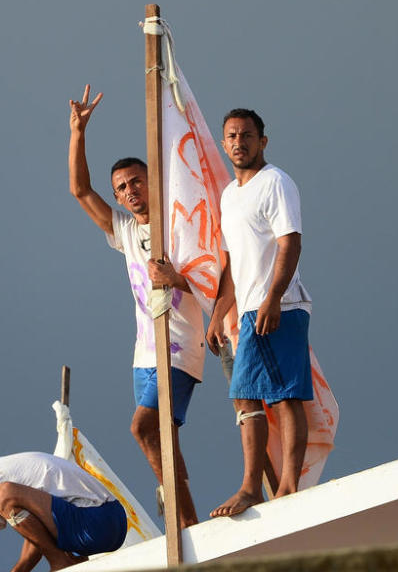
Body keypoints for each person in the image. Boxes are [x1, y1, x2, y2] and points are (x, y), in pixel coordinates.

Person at [67, 84, 204, 528]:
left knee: (142, 427)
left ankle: (181, 516)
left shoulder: (179, 222)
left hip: (180, 347)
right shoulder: (125, 231)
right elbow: (80, 191)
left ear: (153, 181)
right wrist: (78, 133)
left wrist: (176, 278)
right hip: (143, 354)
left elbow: (212, 274)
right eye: (122, 187)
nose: (129, 192)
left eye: (136, 182)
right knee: (163, 439)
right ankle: (185, 521)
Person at [207, 109, 312, 518]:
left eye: (247, 135)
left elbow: (290, 244)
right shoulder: (229, 195)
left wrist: (272, 298)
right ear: (223, 143)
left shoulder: (277, 182)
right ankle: (262, 485)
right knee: (250, 395)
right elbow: (232, 265)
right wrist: (218, 314)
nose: (239, 142)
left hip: (280, 306)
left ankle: (275, 486)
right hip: (249, 308)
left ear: (262, 140)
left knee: (279, 397)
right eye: (232, 136)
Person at [0, 452, 127, 572]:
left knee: (4, 494)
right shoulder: (3, 468)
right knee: (22, 513)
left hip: (95, 522)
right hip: (115, 521)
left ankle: (61, 561)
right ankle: (64, 561)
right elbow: (37, 534)